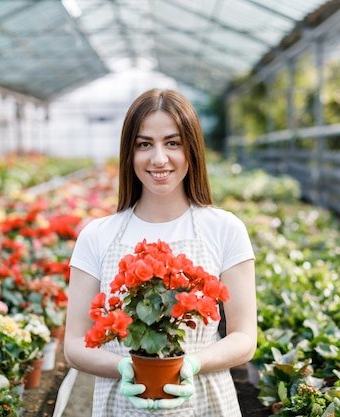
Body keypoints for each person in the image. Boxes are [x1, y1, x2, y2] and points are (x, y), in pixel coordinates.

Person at [63, 88, 257, 416]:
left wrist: (193, 363)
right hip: (120, 404)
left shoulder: (224, 228)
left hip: (205, 402)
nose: (158, 159)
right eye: (144, 144)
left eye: (172, 142)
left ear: (191, 149)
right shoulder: (97, 235)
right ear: (130, 152)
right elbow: (73, 344)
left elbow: (244, 337)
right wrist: (125, 368)